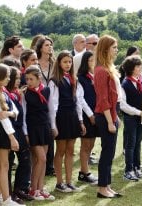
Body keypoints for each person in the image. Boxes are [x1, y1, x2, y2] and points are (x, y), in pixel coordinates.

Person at [49, 51, 85, 193]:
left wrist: (81, 120)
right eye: (65, 62)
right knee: (61, 150)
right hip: (61, 118)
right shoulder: (54, 81)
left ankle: (69, 181)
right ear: (59, 63)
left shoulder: (73, 79)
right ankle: (59, 182)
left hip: (72, 117)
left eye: (70, 62)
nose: (68, 64)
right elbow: (53, 105)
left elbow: (77, 102)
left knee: (71, 150)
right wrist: (54, 124)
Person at [0, 64, 24, 206]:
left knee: (0, 165)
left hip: (5, 131)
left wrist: (9, 113)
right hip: (2, 133)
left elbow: (16, 111)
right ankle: (6, 199)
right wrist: (12, 137)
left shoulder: (3, 91)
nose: (9, 79)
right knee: (4, 165)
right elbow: (2, 119)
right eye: (7, 76)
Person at [93, 35, 122, 198]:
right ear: (105, 49)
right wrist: (110, 121)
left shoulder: (108, 68)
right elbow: (103, 99)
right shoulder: (101, 71)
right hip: (105, 116)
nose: (117, 50)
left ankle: (107, 185)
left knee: (110, 153)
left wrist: (115, 116)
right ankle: (102, 188)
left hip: (111, 113)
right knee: (106, 153)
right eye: (114, 47)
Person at [22, 66, 55, 201]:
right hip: (32, 128)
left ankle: (40, 188)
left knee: (42, 160)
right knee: (40, 159)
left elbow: (51, 109)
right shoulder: (24, 94)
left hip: (45, 127)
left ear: (38, 79)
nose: (28, 81)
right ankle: (33, 189)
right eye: (27, 79)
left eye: (31, 79)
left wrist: (53, 126)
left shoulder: (46, 90)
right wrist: (25, 133)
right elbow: (23, 114)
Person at [5, 67, 33, 203]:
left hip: (19, 130)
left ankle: (21, 188)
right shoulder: (5, 95)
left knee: (26, 159)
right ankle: (8, 193)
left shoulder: (16, 94)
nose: (18, 81)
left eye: (18, 78)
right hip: (10, 131)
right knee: (8, 163)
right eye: (15, 78)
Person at [120, 55, 142, 181]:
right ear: (131, 68)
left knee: (138, 143)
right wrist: (138, 112)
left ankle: (137, 167)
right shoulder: (125, 83)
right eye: (138, 66)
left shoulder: (141, 81)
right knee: (130, 144)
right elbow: (123, 105)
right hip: (130, 117)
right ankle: (128, 170)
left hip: (141, 117)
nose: (141, 68)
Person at [76, 51, 99, 185]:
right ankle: (83, 172)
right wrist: (90, 114)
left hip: (96, 114)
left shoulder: (95, 76)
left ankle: (86, 170)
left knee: (91, 144)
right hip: (86, 114)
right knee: (85, 144)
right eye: (91, 60)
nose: (93, 63)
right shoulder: (81, 78)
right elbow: (80, 99)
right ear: (85, 62)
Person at [35, 36, 55, 176]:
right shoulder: (35, 63)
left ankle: (50, 165)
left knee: (51, 131)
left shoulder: (54, 63)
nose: (50, 47)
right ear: (41, 47)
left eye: (51, 45)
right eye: (47, 45)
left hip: (53, 98)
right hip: (39, 98)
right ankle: (42, 164)